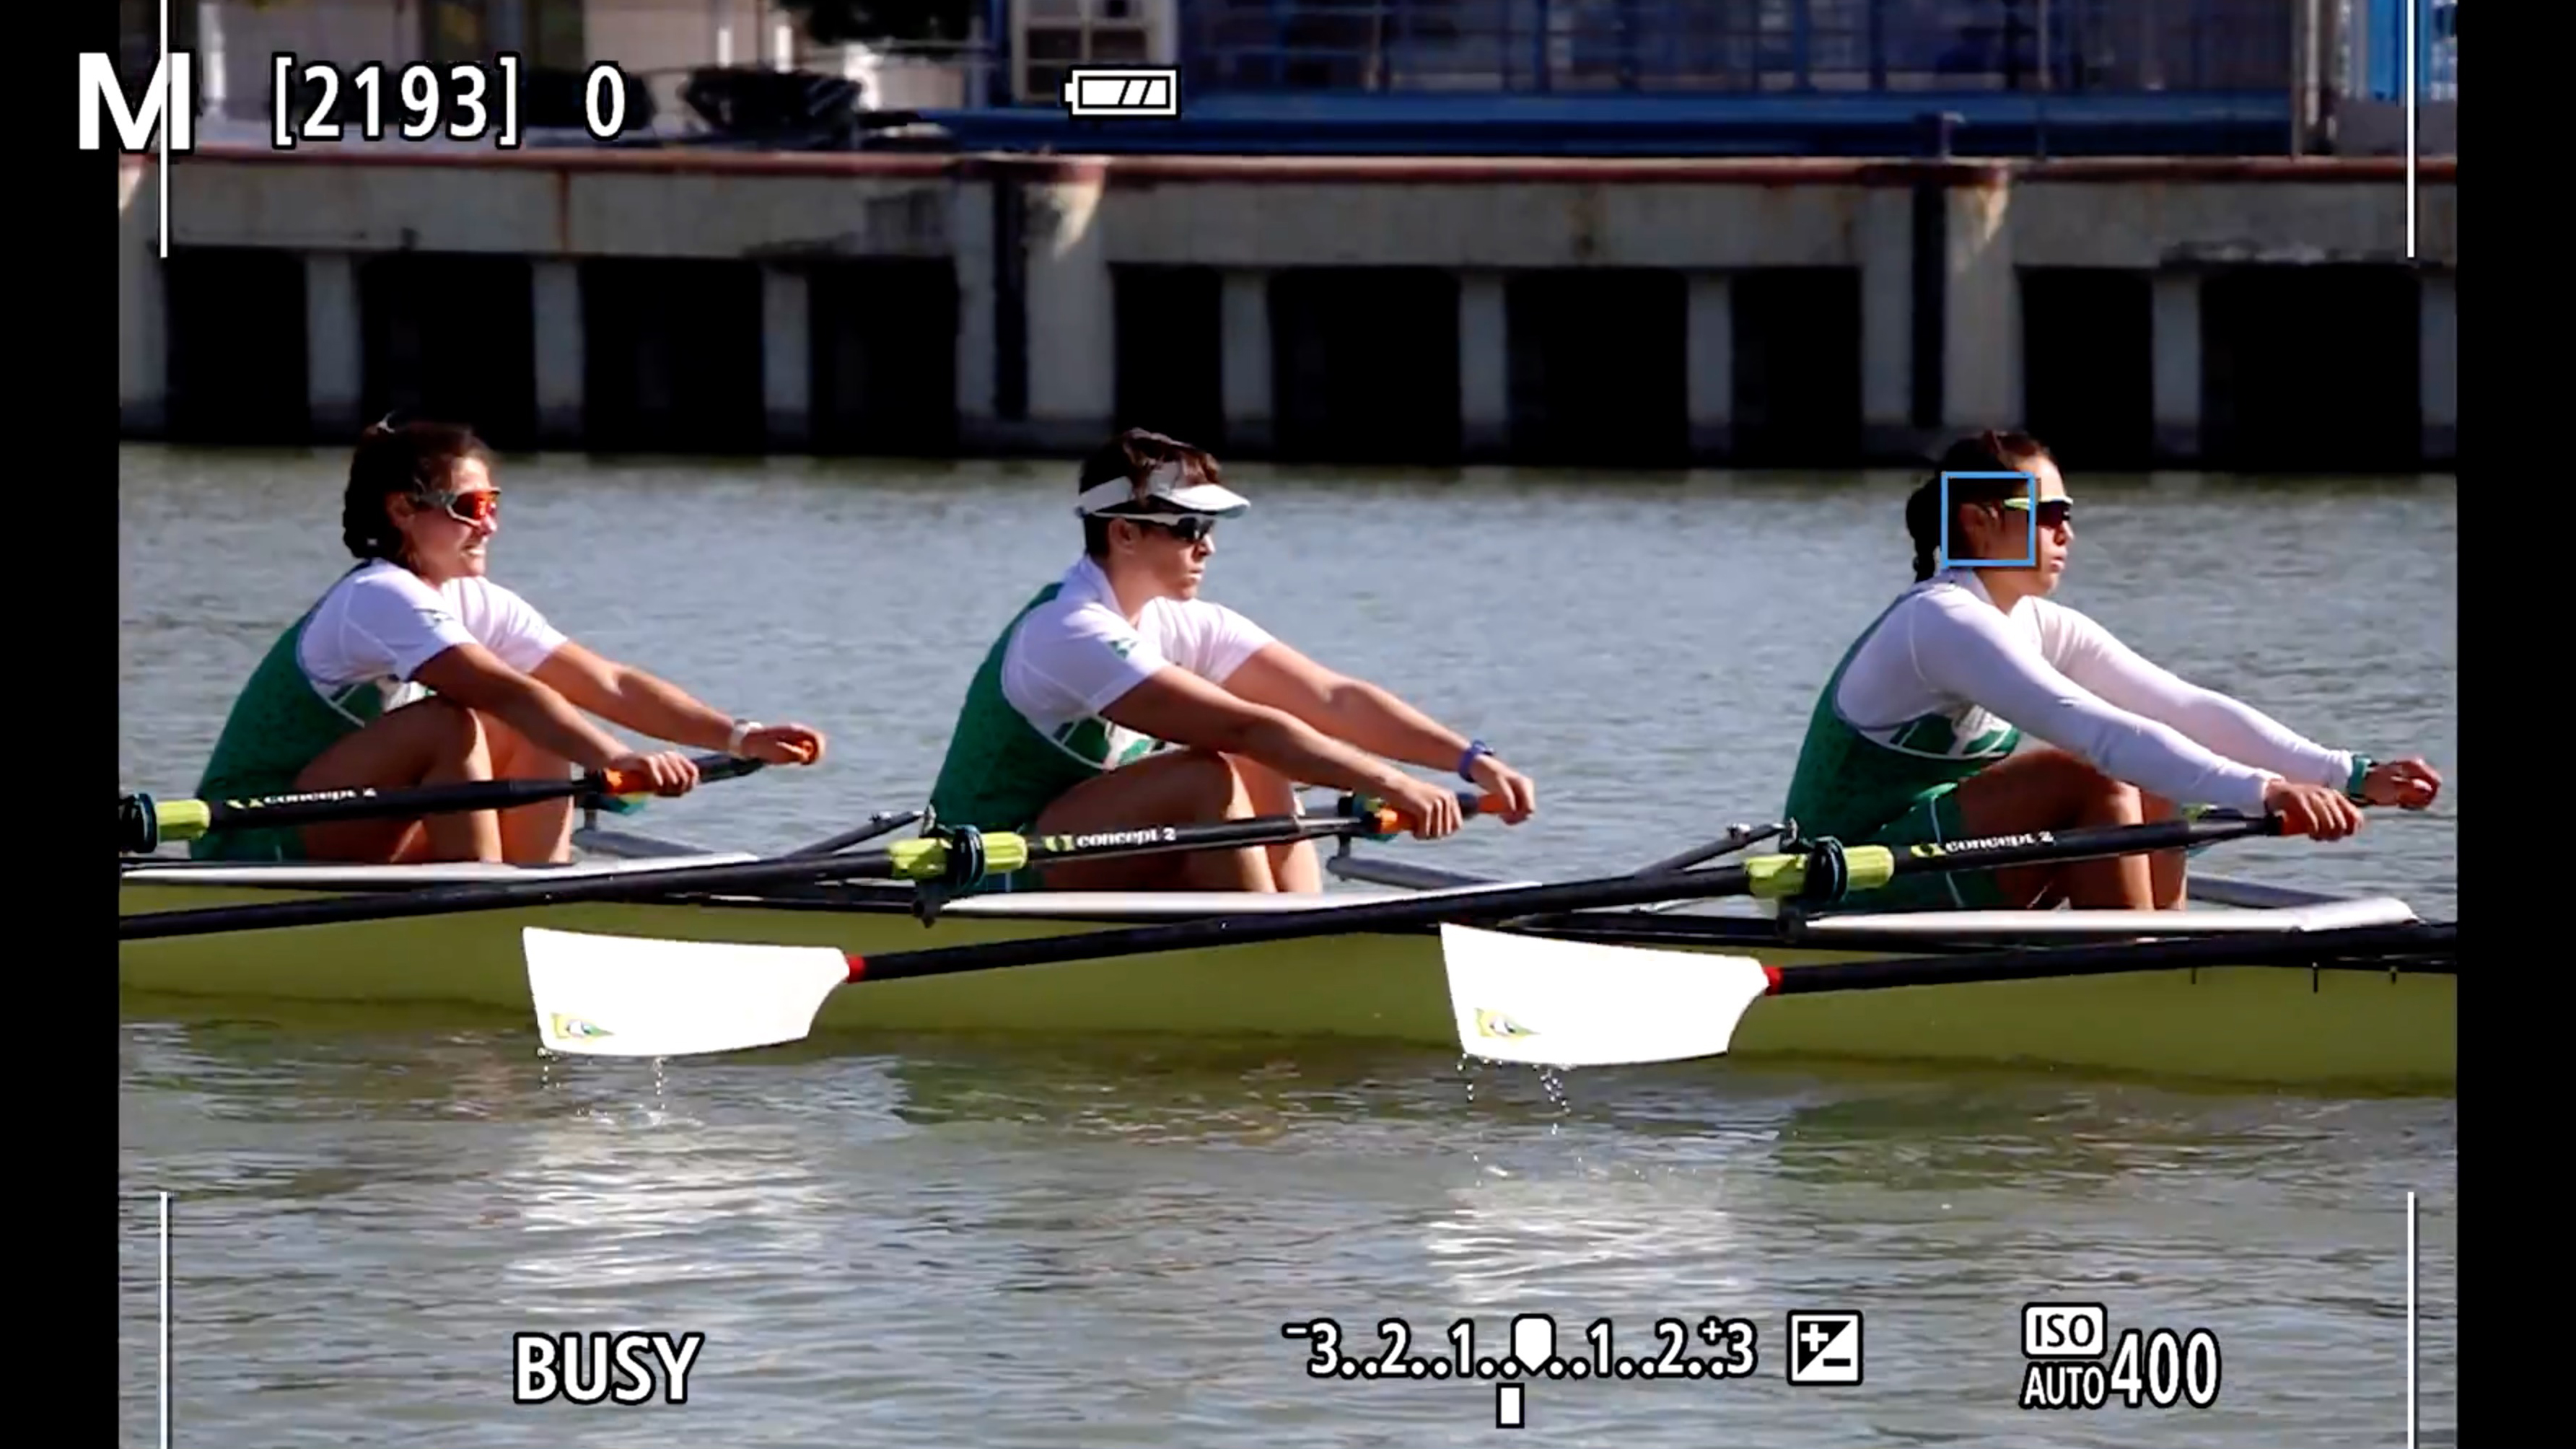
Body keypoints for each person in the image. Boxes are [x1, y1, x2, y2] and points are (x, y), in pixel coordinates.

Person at [1777, 429, 2441, 912]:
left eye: (2070, 515)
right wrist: (2265, 792)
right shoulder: (1943, 621)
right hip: (1843, 884)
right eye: (2049, 515)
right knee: (2097, 772)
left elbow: (2184, 709)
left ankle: (2160, 946)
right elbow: (2093, 729)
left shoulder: (2033, 622)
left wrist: (2346, 773)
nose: (2067, 533)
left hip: (1932, 865)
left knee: (2157, 774)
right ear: (1977, 525)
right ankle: (2139, 969)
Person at [186, 418, 826, 864]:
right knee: (457, 720)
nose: (489, 523)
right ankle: (488, 902)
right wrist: (619, 761)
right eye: (468, 506)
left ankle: (539, 881)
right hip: (256, 832)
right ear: (403, 510)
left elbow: (610, 684)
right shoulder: (379, 594)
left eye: (492, 501)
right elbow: (505, 691)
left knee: (534, 714)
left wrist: (740, 736)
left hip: (352, 823)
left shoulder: (472, 600)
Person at [924, 428, 1538, 892]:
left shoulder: (1182, 622)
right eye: (1189, 526)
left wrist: (1469, 760)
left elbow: (1332, 700)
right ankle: (1273, 953)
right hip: (988, 871)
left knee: (1253, 756)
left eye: (1209, 526)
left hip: (1085, 849)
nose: (1208, 546)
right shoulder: (1069, 629)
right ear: (1125, 533)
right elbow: (1246, 725)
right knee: (1210, 772)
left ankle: (1296, 926)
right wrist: (1395, 784)